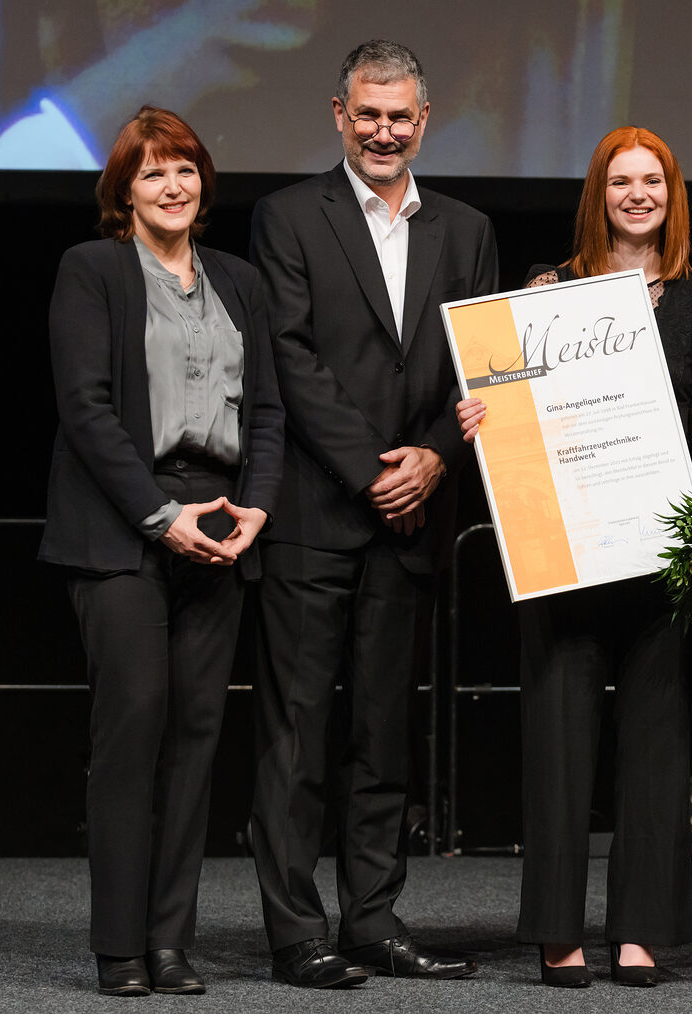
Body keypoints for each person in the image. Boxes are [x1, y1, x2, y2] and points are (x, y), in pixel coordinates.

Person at [457, 126, 692, 988]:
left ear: (672, 191)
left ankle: (642, 928)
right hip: (566, 553)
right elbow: (515, 411)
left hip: (661, 554)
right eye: (621, 181)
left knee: (656, 748)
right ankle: (556, 929)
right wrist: (484, 422)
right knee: (558, 743)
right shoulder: (550, 288)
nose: (638, 194)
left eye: (652, 180)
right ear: (599, 194)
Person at [247, 39, 498, 988]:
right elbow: (290, 358)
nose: (384, 130)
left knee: (383, 736)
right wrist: (371, 470)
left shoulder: (466, 229)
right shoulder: (286, 216)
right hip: (319, 512)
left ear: (424, 122)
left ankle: (373, 919)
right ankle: (294, 931)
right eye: (367, 114)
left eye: (400, 116)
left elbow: (479, 365)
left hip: (415, 518)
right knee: (298, 734)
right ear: (340, 116)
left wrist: (433, 457)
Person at [37, 105, 284, 997]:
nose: (172, 186)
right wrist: (158, 515)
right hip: (121, 528)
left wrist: (256, 509)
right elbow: (87, 408)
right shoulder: (93, 270)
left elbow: (267, 412)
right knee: (133, 730)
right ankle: (120, 948)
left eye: (183, 169)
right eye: (152, 174)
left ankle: (170, 940)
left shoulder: (239, 281)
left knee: (195, 739)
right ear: (124, 193)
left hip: (219, 524)